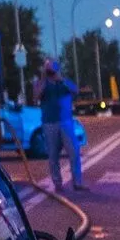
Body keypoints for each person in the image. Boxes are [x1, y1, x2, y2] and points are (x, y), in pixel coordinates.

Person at [37, 60, 87, 193]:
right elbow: (36, 95)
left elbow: (75, 90)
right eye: (47, 69)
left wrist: (61, 79)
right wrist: (44, 79)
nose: (50, 72)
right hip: (49, 123)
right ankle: (57, 183)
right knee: (53, 155)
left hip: (65, 121)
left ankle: (77, 182)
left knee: (74, 152)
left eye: (52, 69)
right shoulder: (42, 83)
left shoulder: (63, 82)